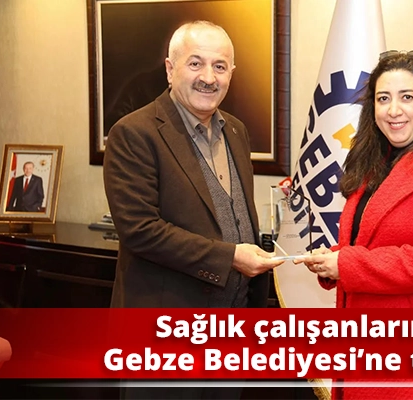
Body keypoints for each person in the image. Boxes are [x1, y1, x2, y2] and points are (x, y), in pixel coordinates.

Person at [103, 20, 284, 399]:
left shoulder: (236, 130)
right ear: (170, 69)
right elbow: (140, 230)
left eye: (220, 66)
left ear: (231, 73)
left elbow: (233, 214)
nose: (209, 78)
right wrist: (230, 257)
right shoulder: (133, 133)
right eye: (195, 63)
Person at [298, 50, 413, 399]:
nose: (393, 110)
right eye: (383, 99)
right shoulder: (373, 163)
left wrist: (346, 264)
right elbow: (369, 241)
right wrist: (333, 259)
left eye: (407, 97)